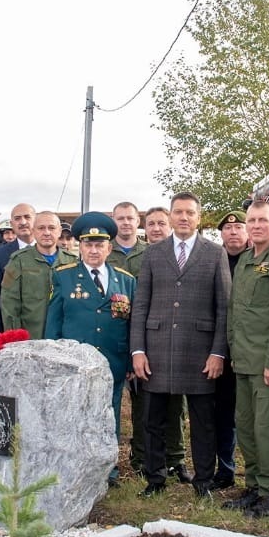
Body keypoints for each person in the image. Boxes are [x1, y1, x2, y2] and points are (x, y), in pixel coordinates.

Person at [131, 192, 231, 498]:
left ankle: (203, 481)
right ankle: (155, 479)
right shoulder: (153, 253)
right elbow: (141, 304)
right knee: (154, 420)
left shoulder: (215, 253)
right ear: (171, 216)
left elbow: (224, 307)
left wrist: (218, 352)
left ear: (199, 218)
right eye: (178, 212)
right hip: (157, 349)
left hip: (199, 352)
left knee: (203, 422)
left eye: (190, 213)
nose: (184, 218)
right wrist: (138, 351)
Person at [46, 211, 138, 485]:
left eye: (100, 245)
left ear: (110, 247)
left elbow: (132, 323)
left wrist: (132, 359)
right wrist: (52, 355)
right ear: (79, 247)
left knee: (109, 414)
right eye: (88, 244)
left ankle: (107, 468)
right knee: (75, 413)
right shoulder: (63, 277)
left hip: (114, 359)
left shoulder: (126, 280)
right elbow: (54, 320)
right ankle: (75, 464)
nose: (94, 250)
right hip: (75, 361)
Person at [222, 201, 269, 517]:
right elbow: (236, 312)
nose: (255, 225)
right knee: (248, 427)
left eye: (262, 220)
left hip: (267, 363)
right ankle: (253, 486)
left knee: (267, 429)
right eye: (251, 220)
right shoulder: (245, 261)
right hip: (243, 361)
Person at [122, 206, 190, 482]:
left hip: (174, 342)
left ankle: (176, 458)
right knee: (143, 406)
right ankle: (142, 457)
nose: (157, 228)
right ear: (144, 227)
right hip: (141, 339)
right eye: (151, 224)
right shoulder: (136, 257)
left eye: (162, 223)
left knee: (176, 406)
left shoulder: (181, 256)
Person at [214, 209, 249, 488]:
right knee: (222, 413)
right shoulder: (214, 260)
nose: (233, 232)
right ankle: (225, 469)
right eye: (228, 229)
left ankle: (256, 476)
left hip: (250, 352)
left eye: (239, 228)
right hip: (219, 350)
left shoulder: (257, 260)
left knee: (250, 416)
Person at [1, 211, 76, 339]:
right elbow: (9, 305)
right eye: (41, 228)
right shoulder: (19, 261)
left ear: (59, 231)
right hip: (31, 338)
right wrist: (16, 338)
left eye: (51, 228)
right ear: (33, 231)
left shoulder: (73, 262)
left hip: (64, 338)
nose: (46, 232)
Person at [0, 203, 36, 339]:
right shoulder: (0, 254)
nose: (23, 222)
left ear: (35, 220)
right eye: (17, 218)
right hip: (13, 331)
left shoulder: (48, 251)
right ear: (12, 223)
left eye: (27, 217)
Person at [106, 201, 147, 273]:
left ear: (138, 221)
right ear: (113, 221)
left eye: (130, 218)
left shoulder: (150, 251)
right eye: (120, 219)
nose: (126, 222)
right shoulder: (103, 250)